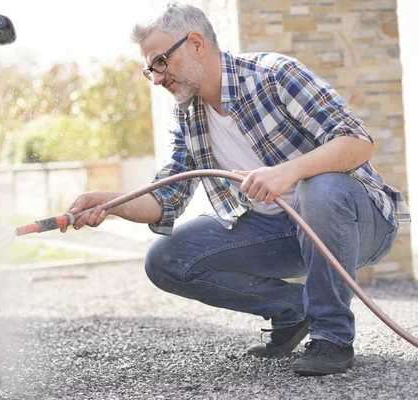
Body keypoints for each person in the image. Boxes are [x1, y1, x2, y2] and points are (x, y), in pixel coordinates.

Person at [62, 2, 411, 376]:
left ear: (195, 44)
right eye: (150, 69)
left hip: (359, 223)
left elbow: (357, 142)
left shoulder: (275, 75)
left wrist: (287, 173)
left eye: (160, 62)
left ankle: (332, 337)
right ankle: (292, 311)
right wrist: (114, 203)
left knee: (319, 188)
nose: (157, 78)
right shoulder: (187, 114)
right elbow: (168, 199)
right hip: (280, 232)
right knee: (166, 259)